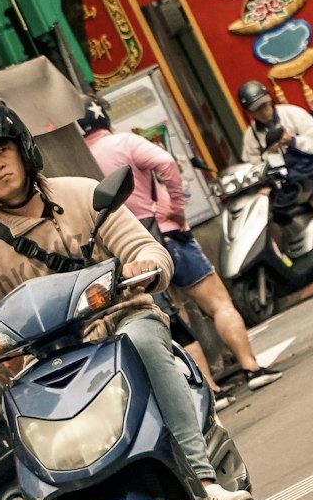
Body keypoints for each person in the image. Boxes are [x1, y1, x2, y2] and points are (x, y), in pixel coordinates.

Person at [0, 99, 255, 500]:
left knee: (145, 340)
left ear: (22, 149)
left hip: (123, 323)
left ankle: (204, 479)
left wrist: (147, 265)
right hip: (50, 361)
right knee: (13, 402)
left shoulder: (84, 195)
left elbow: (144, 247)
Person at [78, 99, 282, 393]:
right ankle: (251, 368)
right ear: (103, 118)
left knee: (174, 316)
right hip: (168, 233)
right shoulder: (123, 142)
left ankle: (208, 389)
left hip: (132, 253)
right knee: (219, 303)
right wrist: (175, 206)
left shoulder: (81, 161)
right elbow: (166, 162)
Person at [238, 80, 313, 282]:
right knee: (262, 220)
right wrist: (262, 184)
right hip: (282, 184)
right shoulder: (251, 137)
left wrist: (292, 141)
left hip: (311, 174)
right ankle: (286, 263)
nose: (263, 112)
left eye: (265, 105)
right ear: (249, 113)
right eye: (257, 110)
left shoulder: (292, 114)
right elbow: (251, 165)